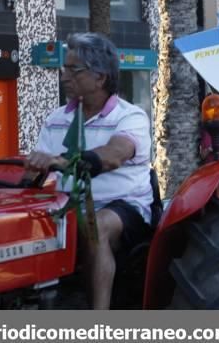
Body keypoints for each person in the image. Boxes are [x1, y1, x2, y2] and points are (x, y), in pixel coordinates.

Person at [26, 33, 154, 310]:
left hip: (122, 207)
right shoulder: (56, 119)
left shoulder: (129, 116)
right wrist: (32, 169)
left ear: (100, 77)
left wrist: (64, 162)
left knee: (96, 225)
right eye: (64, 69)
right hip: (66, 206)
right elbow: (38, 172)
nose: (64, 77)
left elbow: (114, 154)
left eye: (73, 70)